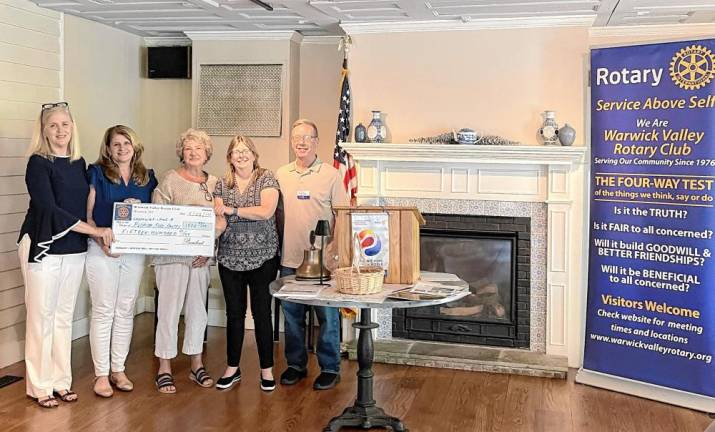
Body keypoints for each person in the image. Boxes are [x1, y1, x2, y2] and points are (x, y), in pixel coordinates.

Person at [17, 102, 113, 408]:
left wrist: (105, 225)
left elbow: (86, 203)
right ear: (43, 130)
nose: (60, 131)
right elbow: (49, 208)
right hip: (42, 245)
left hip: (73, 248)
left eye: (65, 125)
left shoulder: (79, 163)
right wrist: (95, 231)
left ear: (73, 128)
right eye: (53, 126)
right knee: (40, 317)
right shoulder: (38, 163)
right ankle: (39, 385)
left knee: (62, 317)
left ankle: (60, 381)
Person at [275, 119, 349, 390]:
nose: (301, 142)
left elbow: (342, 216)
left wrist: (333, 251)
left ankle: (330, 367)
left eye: (307, 137)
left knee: (326, 317)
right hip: (290, 259)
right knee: (292, 316)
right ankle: (296, 365)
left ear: (317, 141)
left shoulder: (331, 175)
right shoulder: (281, 174)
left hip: (323, 263)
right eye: (296, 138)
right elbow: (276, 213)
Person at [85, 125, 158, 397]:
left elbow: (156, 215)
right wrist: (99, 242)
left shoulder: (147, 177)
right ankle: (101, 375)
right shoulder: (95, 173)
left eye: (127, 143)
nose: (122, 148)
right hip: (101, 249)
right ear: (107, 148)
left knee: (126, 309)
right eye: (116, 144)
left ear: (135, 146)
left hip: (134, 251)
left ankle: (118, 369)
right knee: (104, 310)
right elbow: (88, 216)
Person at [152, 128, 221, 394]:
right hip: (170, 258)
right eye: (189, 148)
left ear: (206, 154)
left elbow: (220, 221)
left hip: (200, 259)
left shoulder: (215, 183)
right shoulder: (169, 179)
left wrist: (209, 249)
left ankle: (196, 364)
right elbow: (158, 217)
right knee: (168, 312)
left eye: (199, 149)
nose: (193, 153)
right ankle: (164, 367)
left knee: (197, 311)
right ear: (182, 152)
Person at [213, 135, 279, 392]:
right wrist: (205, 240)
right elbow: (219, 220)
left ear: (254, 154)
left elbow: (266, 211)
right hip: (229, 257)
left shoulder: (266, 178)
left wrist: (233, 211)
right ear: (229, 157)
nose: (241, 156)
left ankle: (266, 369)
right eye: (235, 152)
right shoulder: (221, 184)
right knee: (234, 314)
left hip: (263, 257)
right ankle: (232, 367)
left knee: (262, 313)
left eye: (245, 151)